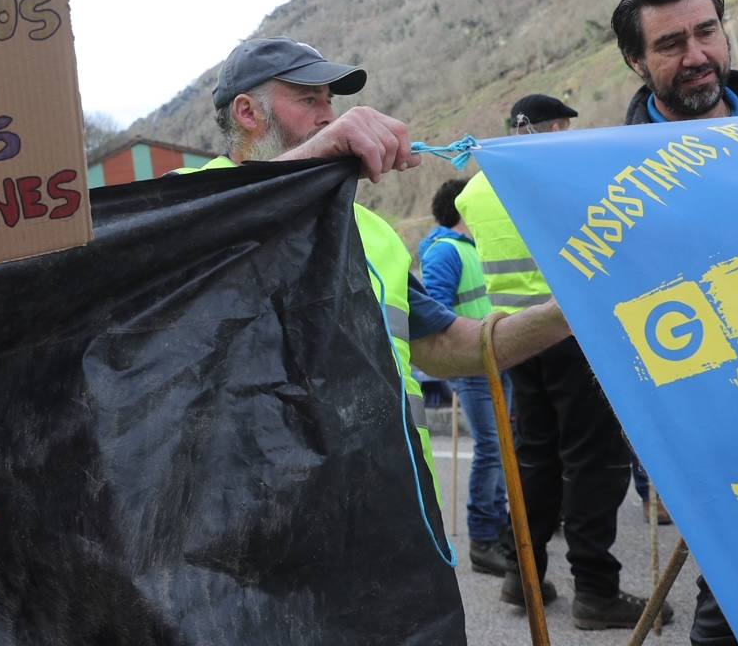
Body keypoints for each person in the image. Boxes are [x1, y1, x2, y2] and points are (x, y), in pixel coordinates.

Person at [173, 36, 575, 510]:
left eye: (331, 103)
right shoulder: (189, 207)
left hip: (397, 512)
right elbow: (202, 235)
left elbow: (448, 345)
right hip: (261, 527)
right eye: (308, 100)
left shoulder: (373, 231)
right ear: (247, 113)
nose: (329, 116)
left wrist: (567, 314)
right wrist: (313, 156)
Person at [612, 0, 738, 646]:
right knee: (735, 610)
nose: (696, 57)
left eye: (706, 32)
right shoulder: (607, 181)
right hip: (729, 444)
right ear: (636, 61)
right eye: (670, 44)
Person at [455, 94, 670, 631]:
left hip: (513, 338)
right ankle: (596, 590)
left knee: (535, 459)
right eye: (561, 126)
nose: (565, 134)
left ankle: (521, 571)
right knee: (592, 461)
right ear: (546, 128)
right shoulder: (552, 172)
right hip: (570, 330)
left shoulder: (474, 189)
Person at [418, 178, 512, 576]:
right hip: (472, 366)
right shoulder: (445, 252)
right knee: (491, 449)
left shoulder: (471, 249)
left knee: (502, 449)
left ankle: (499, 521)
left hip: (494, 360)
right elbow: (436, 311)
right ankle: (483, 538)